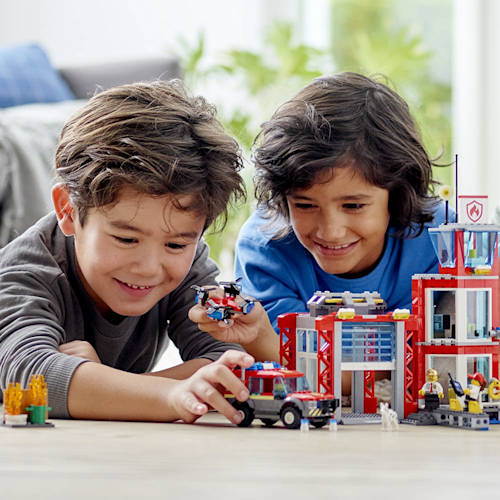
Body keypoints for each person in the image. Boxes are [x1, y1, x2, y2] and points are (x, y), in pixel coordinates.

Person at [0, 80, 259, 425]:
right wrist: (170, 395)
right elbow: (31, 376)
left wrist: (107, 384)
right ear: (68, 210)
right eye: (126, 239)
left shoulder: (188, 265)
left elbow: (229, 362)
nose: (149, 268)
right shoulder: (24, 273)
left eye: (176, 244)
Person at [190, 72, 448, 389]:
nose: (330, 232)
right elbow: (296, 367)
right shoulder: (264, 249)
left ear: (397, 196)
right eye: (305, 205)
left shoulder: (445, 241)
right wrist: (260, 338)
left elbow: (445, 356)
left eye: (353, 205)